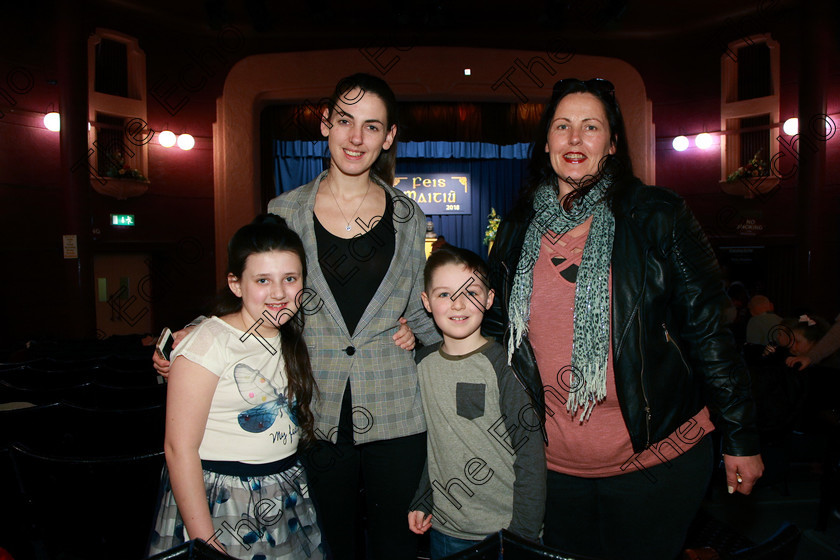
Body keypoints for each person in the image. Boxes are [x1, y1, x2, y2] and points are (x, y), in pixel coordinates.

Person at [154, 74, 435, 559]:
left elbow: (421, 312)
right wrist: (202, 329)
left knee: (399, 548)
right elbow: (263, 293)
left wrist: (422, 333)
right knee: (329, 543)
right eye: (345, 121)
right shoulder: (285, 209)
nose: (355, 138)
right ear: (325, 124)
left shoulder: (410, 216)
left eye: (372, 127)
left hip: (395, 409)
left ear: (389, 137)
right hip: (314, 406)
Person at [484, 77, 763, 560]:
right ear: (546, 141)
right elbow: (494, 329)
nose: (574, 139)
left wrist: (741, 435)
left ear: (612, 143)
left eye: (590, 127)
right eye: (562, 126)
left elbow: (708, 331)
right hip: (551, 469)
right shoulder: (516, 226)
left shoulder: (659, 215)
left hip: (658, 464)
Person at [147, 214, 323, 559]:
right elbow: (178, 449)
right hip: (223, 499)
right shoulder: (207, 343)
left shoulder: (291, 334)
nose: (278, 293)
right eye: (262, 280)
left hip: (284, 488)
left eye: (290, 278)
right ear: (236, 284)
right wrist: (205, 543)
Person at [407, 246, 545, 558]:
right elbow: (437, 444)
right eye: (444, 294)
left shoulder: (506, 367)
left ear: (489, 299)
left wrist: (522, 535)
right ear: (426, 302)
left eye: (471, 292)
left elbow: (530, 453)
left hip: (503, 533)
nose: (457, 304)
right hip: (445, 530)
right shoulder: (421, 364)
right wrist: (424, 498)